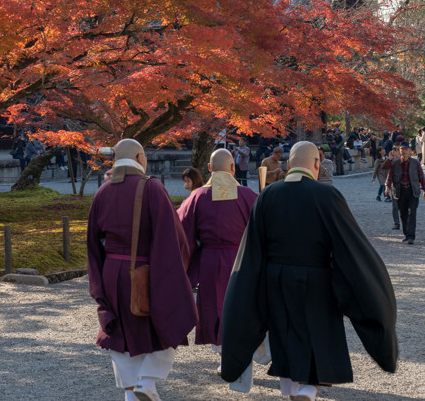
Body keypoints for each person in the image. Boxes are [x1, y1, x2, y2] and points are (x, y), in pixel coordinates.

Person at [220, 141, 398, 400]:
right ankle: (309, 388)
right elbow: (350, 246)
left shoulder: (268, 195)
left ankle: (293, 390)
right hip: (318, 278)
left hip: (276, 279)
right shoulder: (327, 196)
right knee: (318, 332)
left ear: (289, 165)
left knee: (285, 332)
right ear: (317, 164)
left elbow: (252, 250)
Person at [86, 139, 197, 401]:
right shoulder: (151, 188)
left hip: (111, 272)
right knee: (164, 326)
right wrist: (174, 274)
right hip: (146, 272)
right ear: (139, 157)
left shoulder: (102, 191)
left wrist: (99, 281)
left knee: (120, 334)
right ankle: (147, 382)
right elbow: (173, 239)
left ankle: (132, 394)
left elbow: (92, 242)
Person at [176, 150, 257, 376]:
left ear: (209, 169)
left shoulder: (197, 196)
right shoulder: (248, 195)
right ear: (233, 168)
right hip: (242, 261)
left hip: (210, 261)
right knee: (242, 307)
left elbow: (181, 231)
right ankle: (244, 353)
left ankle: (224, 356)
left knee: (215, 307)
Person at [385, 144, 425, 244]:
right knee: (403, 214)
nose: (404, 152)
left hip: (412, 191)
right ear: (399, 151)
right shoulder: (395, 163)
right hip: (400, 191)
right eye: (402, 150)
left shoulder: (415, 163)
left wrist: (424, 189)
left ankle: (411, 236)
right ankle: (406, 234)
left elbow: (421, 176)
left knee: (412, 212)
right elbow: (389, 175)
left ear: (410, 151)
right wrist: (387, 187)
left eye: (406, 150)